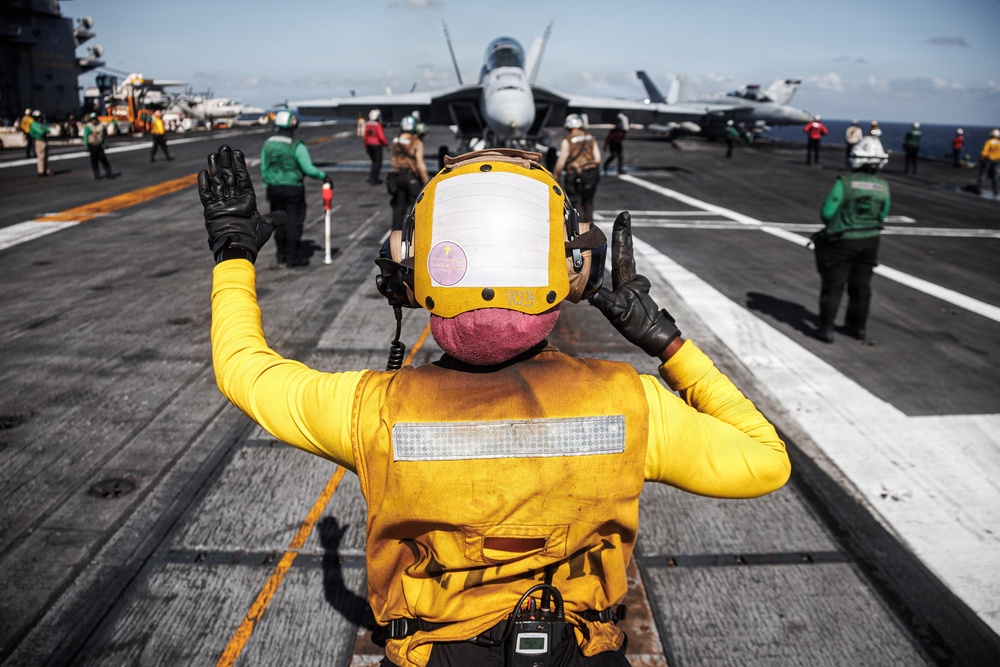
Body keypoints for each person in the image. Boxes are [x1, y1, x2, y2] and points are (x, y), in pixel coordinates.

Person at [198, 144, 791, 667]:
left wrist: (233, 255)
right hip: (580, 651)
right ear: (575, 271)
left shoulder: (370, 410)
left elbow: (244, 369)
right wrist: (667, 343)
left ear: (408, 270)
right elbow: (766, 460)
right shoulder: (628, 402)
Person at [811, 135, 890, 344]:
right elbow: (882, 215)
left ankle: (826, 329)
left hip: (842, 241)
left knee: (833, 285)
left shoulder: (845, 181)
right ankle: (857, 328)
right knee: (861, 286)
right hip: (871, 241)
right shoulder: (883, 186)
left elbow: (828, 212)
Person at [260, 109, 332, 267]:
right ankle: (293, 257)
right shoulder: (296, 145)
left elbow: (264, 168)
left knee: (278, 223)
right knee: (293, 222)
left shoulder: (268, 144)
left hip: (273, 189)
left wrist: (268, 185)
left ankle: (281, 254)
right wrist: (324, 176)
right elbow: (308, 169)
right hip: (292, 189)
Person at [553, 113, 602, 223]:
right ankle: (590, 228)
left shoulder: (568, 140)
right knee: (588, 202)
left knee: (576, 202)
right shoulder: (590, 137)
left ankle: (581, 230)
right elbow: (598, 159)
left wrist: (556, 174)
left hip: (575, 174)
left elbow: (562, 160)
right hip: (591, 174)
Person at [387, 114, 429, 231]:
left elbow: (393, 157)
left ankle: (395, 235)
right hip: (411, 177)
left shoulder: (396, 139)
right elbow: (420, 164)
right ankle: (412, 234)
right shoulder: (415, 142)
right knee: (415, 207)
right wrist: (426, 181)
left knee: (398, 207)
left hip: (397, 176)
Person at [82, 112, 115, 180]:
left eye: (94, 119)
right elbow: (85, 137)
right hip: (92, 145)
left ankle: (109, 174)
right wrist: (86, 146)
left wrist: (105, 143)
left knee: (104, 160)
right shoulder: (88, 127)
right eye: (92, 119)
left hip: (99, 145)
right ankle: (97, 175)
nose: (93, 120)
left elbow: (103, 136)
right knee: (94, 161)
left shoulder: (100, 126)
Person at [364, 109, 389, 185]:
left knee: (374, 162)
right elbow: (381, 137)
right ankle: (374, 178)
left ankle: (372, 176)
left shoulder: (367, 124)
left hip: (369, 145)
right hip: (376, 145)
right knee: (377, 163)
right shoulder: (377, 125)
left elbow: (365, 136)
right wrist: (386, 144)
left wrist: (366, 146)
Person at [976, 128, 1000, 196]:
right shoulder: (999, 143)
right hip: (996, 161)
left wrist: (981, 158)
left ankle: (979, 189)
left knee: (983, 174)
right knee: (995, 176)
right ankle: (995, 191)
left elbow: (984, 152)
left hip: (988, 160)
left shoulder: (989, 142)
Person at [28, 110, 52, 177]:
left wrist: (44, 130)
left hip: (44, 140)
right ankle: (41, 171)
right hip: (39, 141)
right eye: (39, 117)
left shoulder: (40, 124)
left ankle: (45, 170)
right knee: (41, 156)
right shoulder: (34, 124)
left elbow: (48, 130)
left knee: (46, 156)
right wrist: (44, 130)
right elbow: (41, 132)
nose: (40, 118)